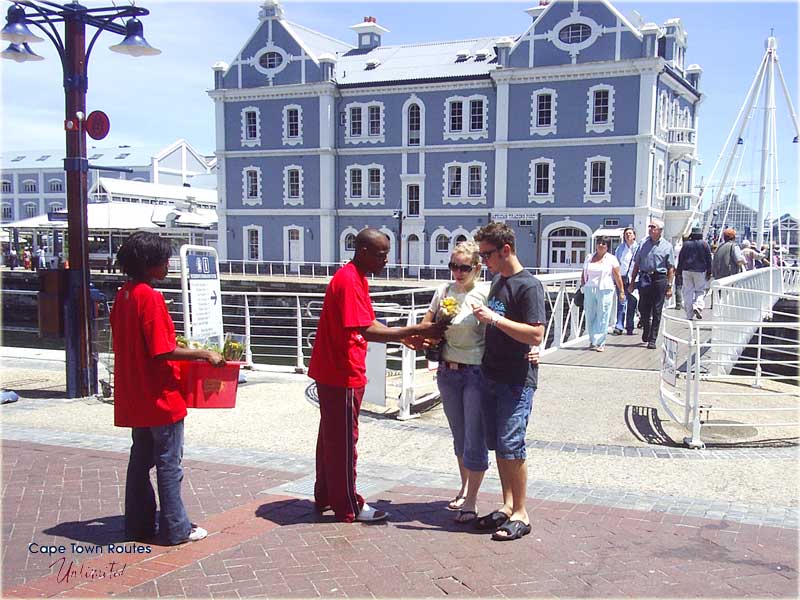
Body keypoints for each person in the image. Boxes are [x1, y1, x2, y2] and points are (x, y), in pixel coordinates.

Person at [308, 227, 447, 523]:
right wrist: (412, 330)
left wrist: (403, 337)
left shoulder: (354, 277)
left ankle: (325, 495)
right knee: (344, 441)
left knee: (331, 438)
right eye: (382, 254)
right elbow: (364, 329)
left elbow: (366, 322)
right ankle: (348, 505)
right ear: (363, 252)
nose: (387, 260)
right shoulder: (348, 281)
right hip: (341, 372)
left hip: (333, 370)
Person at [111, 231, 225, 545]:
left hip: (134, 392)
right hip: (159, 394)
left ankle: (138, 524)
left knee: (140, 462)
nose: (168, 264)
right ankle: (176, 526)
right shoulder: (150, 296)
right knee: (168, 463)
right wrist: (204, 352)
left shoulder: (124, 294)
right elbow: (162, 349)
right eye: (164, 259)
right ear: (150, 264)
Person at [471, 222, 545, 542]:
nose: (483, 262)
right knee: (501, 444)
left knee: (513, 444)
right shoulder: (498, 281)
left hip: (516, 379)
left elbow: (536, 333)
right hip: (493, 373)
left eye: (487, 255)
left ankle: (522, 513)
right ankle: (507, 505)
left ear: (506, 250)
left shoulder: (528, 286)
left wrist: (494, 319)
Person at [421, 241, 489, 523]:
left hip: (476, 371)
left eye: (464, 267)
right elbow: (427, 323)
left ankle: (472, 499)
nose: (457, 273)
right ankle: (464, 486)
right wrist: (425, 337)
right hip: (448, 372)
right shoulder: (443, 291)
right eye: (453, 266)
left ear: (477, 267)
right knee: (459, 434)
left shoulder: (486, 293)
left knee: (475, 435)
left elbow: (502, 329)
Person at [628, 218, 676, 350]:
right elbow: (637, 264)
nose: (649, 229)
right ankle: (646, 328)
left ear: (659, 230)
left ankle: (652, 339)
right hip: (644, 277)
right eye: (649, 226)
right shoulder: (643, 244)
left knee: (657, 309)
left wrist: (669, 287)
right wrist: (632, 282)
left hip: (659, 278)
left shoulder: (667, 246)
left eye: (652, 227)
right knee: (643, 307)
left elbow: (671, 268)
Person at [581, 236, 625, 352]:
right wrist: (582, 285)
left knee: (603, 315)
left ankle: (600, 342)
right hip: (590, 288)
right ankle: (592, 339)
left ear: (607, 246)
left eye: (604, 244)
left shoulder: (611, 259)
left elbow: (617, 275)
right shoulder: (589, 257)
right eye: (599, 243)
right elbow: (584, 272)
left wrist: (621, 291)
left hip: (605, 289)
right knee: (590, 315)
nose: (601, 245)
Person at [676, 226, 712, 320]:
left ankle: (689, 315)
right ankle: (698, 306)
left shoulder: (686, 244)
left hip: (686, 270)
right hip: (700, 270)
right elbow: (709, 259)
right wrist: (709, 271)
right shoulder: (704, 244)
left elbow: (681, 259)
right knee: (699, 290)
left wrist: (678, 271)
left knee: (687, 291)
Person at [613, 227, 639, 335]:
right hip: (621, 278)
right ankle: (619, 326)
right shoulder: (620, 248)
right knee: (621, 302)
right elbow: (616, 262)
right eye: (626, 234)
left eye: (630, 233)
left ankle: (629, 326)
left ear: (634, 235)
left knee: (632, 302)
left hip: (633, 278)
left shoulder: (638, 248)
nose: (628, 235)